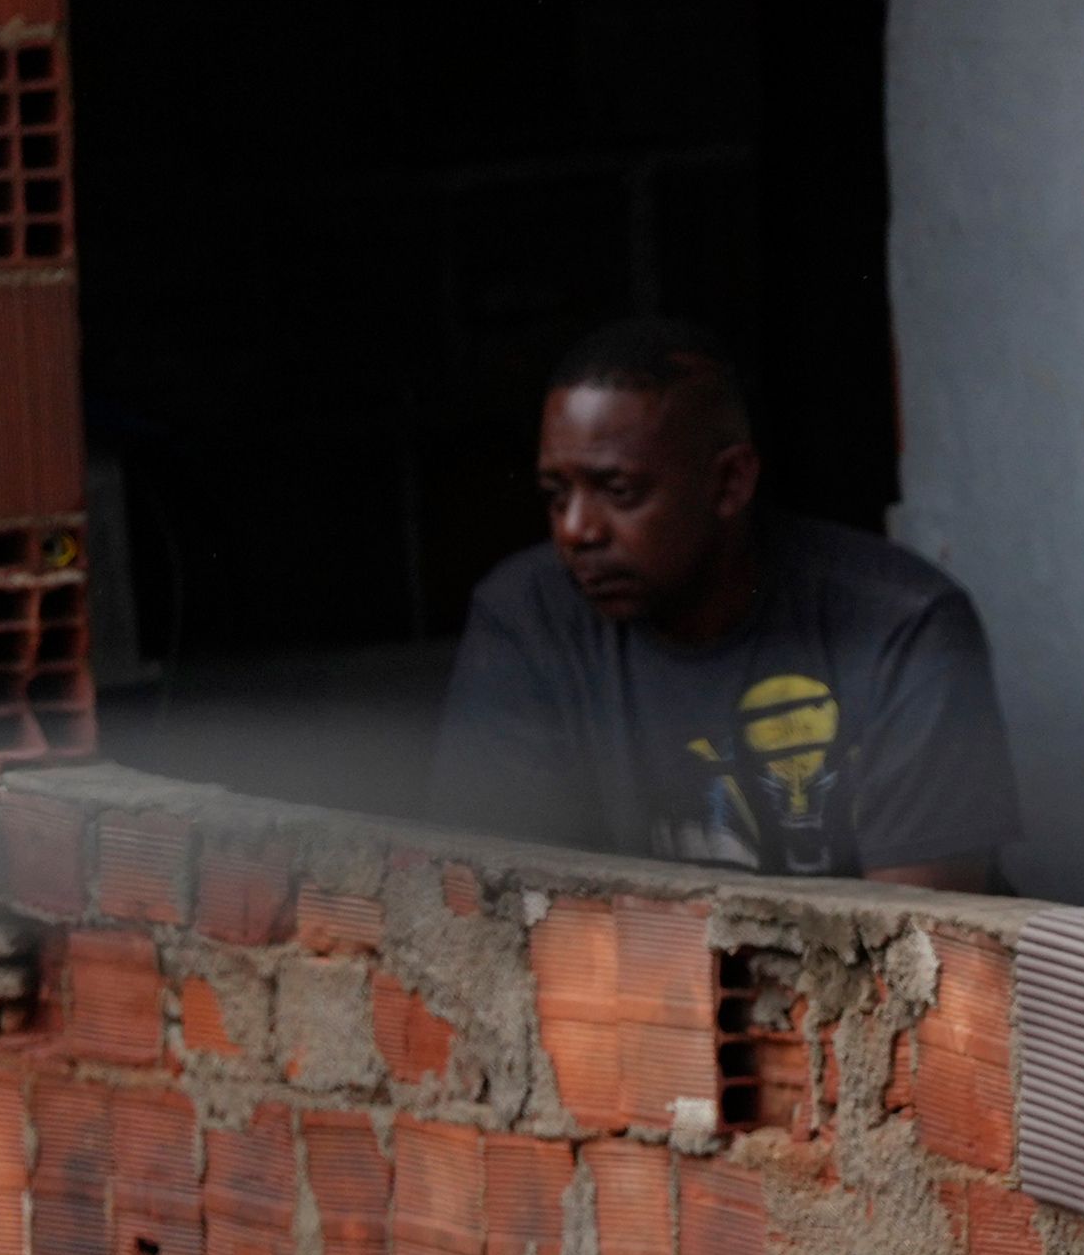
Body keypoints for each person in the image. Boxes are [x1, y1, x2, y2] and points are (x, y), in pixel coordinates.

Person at [431, 320, 1021, 891]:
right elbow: (489, 912)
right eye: (556, 495)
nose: (577, 530)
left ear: (731, 483)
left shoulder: (902, 623)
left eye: (618, 491)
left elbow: (926, 951)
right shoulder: (526, 619)